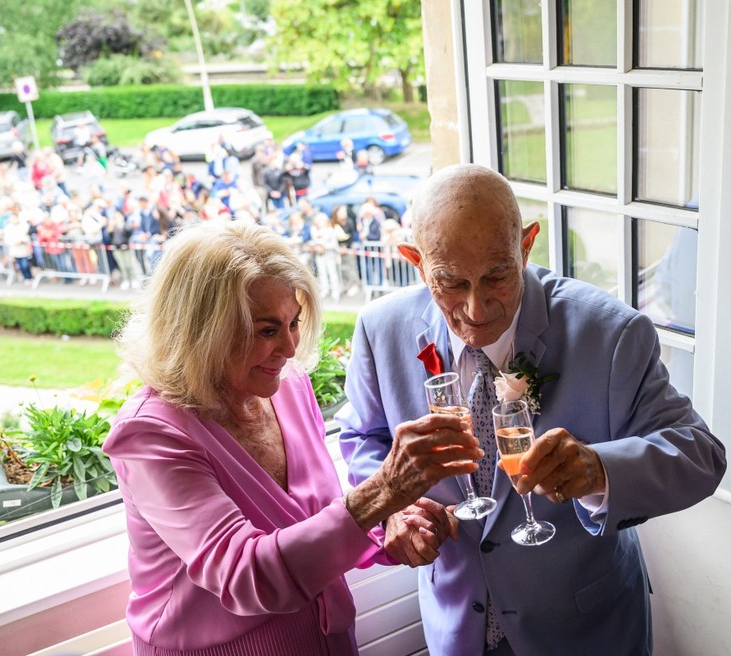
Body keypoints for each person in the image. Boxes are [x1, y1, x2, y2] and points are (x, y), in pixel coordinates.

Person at [337, 163, 727, 656]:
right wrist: (395, 509)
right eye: (451, 283)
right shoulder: (379, 330)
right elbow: (362, 438)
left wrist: (599, 470)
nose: (476, 310)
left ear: (525, 246)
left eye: (496, 275)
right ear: (416, 263)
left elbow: (701, 454)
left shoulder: (610, 334)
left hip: (587, 631)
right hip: (455, 629)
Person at [104, 220, 484, 655]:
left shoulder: (288, 386)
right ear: (202, 332)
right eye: (267, 330)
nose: (289, 348)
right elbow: (246, 575)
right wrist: (384, 491)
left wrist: (392, 521)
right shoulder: (152, 435)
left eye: (294, 323)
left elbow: (316, 517)